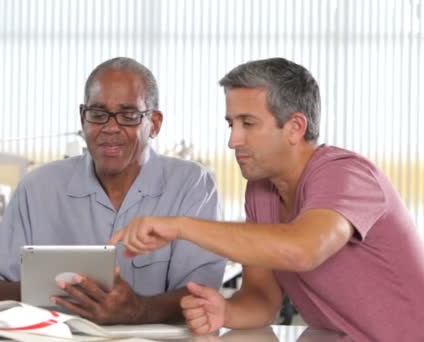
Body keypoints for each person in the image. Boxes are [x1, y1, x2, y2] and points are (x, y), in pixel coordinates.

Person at [110, 58, 424, 340]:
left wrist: (179, 226)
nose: (233, 140)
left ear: (295, 127)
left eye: (248, 123)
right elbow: (261, 297)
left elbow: (302, 249)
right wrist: (225, 311)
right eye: (231, 124)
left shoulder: (346, 175)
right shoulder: (262, 191)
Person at [0, 57, 226, 324]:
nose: (110, 127)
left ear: (154, 123)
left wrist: (138, 310)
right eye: (98, 114)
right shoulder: (38, 187)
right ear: (83, 118)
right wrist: (58, 290)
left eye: (129, 116)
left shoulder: (192, 185)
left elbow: (202, 295)